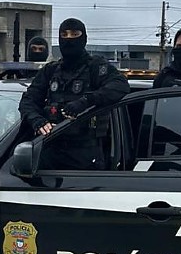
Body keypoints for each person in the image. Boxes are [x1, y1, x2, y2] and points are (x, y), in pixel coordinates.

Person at [18, 18, 130, 170]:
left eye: (74, 34)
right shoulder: (50, 70)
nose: (69, 39)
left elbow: (120, 86)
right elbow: (28, 101)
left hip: (86, 156)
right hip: (50, 150)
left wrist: (85, 101)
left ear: (84, 38)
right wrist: (37, 121)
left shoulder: (96, 67)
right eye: (64, 35)